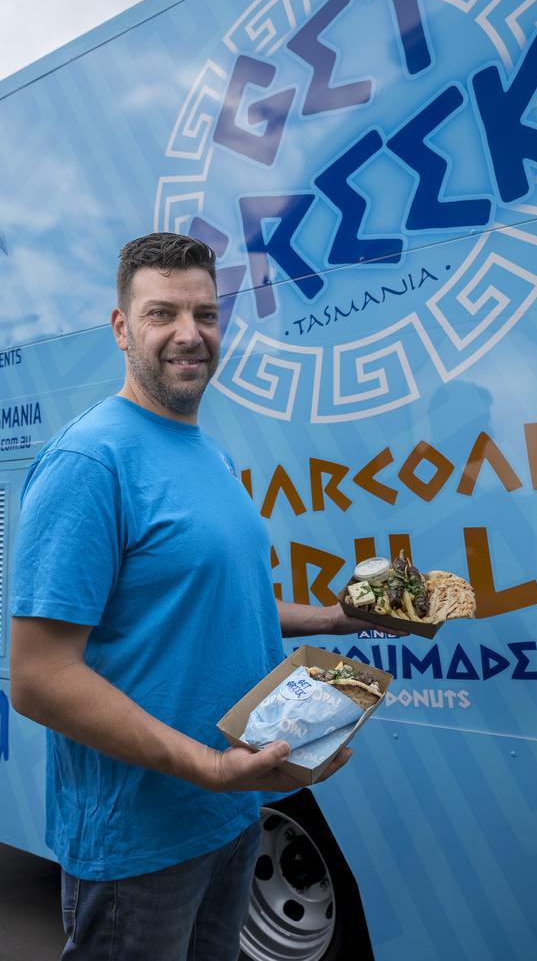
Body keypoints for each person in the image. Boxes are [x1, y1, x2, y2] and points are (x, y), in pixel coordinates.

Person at [9, 233, 365, 961]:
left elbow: (220, 602)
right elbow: (38, 678)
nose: (188, 334)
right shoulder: (89, 460)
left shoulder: (208, 451)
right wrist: (204, 767)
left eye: (205, 314)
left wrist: (334, 618)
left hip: (231, 816)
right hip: (141, 840)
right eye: (161, 313)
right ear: (121, 328)